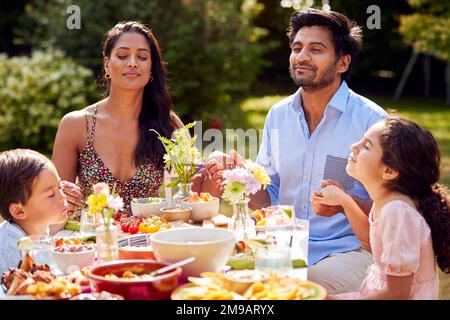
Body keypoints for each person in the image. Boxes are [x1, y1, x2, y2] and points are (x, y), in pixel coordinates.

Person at [213, 9, 388, 294]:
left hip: (349, 252)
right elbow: (269, 198)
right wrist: (243, 179)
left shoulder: (372, 122)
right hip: (282, 246)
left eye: (316, 49)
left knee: (295, 286)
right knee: (221, 275)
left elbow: (391, 209)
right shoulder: (278, 115)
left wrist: (346, 202)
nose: (302, 56)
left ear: (343, 62)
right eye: (297, 48)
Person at [52, 21, 219, 225]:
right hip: (88, 241)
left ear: (151, 69)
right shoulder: (76, 125)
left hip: (146, 241)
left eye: (142, 57)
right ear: (106, 64)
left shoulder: (169, 124)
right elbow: (54, 206)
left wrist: (216, 166)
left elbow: (194, 196)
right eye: (122, 56)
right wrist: (65, 195)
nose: (132, 63)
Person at [316, 116, 450, 299]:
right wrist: (345, 202)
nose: (354, 146)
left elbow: (398, 293)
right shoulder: (387, 201)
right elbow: (372, 245)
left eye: (366, 146)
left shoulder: (397, 212)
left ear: (389, 171)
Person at [0, 149, 68, 276]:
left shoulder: (39, 228)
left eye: (60, 187)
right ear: (19, 211)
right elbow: (11, 292)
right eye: (51, 194)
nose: (62, 197)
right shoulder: (8, 248)